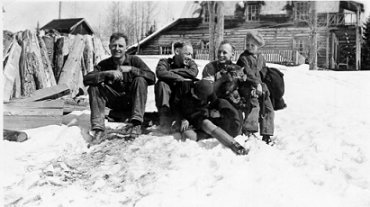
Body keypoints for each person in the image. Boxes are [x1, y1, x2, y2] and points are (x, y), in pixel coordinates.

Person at [83, 33, 156, 144]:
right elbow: (87, 79)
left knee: (140, 80)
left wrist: (132, 69)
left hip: (132, 102)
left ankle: (136, 125)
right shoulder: (104, 64)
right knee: (94, 86)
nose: (117, 49)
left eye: (120, 46)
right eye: (114, 46)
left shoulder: (135, 61)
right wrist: (106, 73)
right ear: (109, 47)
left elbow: (152, 77)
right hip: (114, 102)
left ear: (126, 47)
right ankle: (98, 130)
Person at [173, 79, 247, 155]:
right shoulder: (183, 87)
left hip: (201, 117)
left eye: (198, 97)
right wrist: (182, 119)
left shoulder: (208, 92)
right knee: (188, 136)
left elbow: (215, 103)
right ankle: (215, 135)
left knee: (207, 124)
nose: (194, 96)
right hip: (186, 119)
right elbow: (174, 107)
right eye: (194, 94)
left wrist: (217, 113)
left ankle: (235, 146)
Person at [236, 31, 274, 144]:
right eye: (247, 44)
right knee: (254, 105)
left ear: (258, 46)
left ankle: (267, 134)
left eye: (252, 45)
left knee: (268, 108)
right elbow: (248, 73)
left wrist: (265, 85)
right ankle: (249, 132)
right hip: (247, 86)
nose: (249, 47)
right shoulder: (243, 58)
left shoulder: (261, 58)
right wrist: (256, 84)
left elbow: (264, 72)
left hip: (261, 87)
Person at [155, 41, 199, 134]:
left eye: (191, 54)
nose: (190, 57)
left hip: (183, 102)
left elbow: (193, 73)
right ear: (177, 52)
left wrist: (172, 72)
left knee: (188, 82)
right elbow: (160, 72)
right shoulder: (165, 62)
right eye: (187, 54)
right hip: (169, 101)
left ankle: (184, 119)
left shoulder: (191, 63)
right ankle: (165, 119)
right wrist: (179, 77)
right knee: (161, 83)